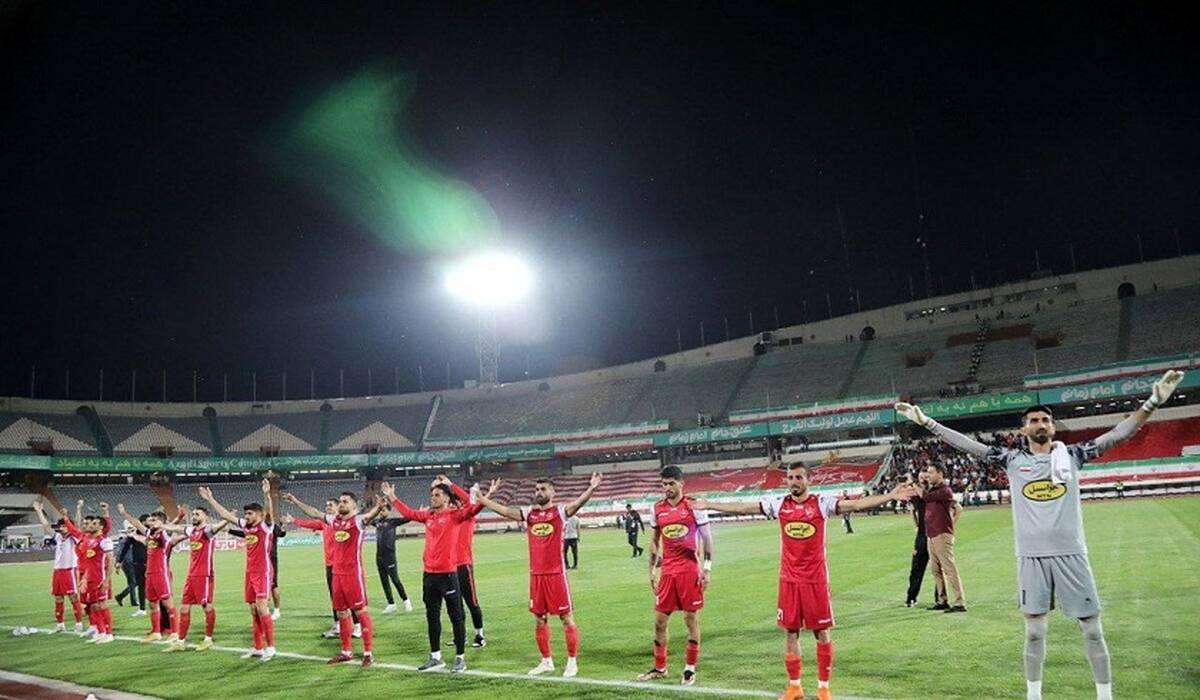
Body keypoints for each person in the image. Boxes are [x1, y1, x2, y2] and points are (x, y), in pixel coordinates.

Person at [895, 369, 1185, 700]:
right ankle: (1035, 696)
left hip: (1072, 555)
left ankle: (1105, 696)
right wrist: (927, 422)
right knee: (1034, 632)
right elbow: (969, 445)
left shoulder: (1073, 456)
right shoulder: (1012, 459)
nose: (1040, 424)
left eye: (1045, 420)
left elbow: (1117, 434)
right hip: (1031, 558)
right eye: (1033, 420)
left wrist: (1153, 402)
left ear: (1053, 426)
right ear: (1024, 429)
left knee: (1092, 629)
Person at [692, 463, 916, 700]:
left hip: (815, 580)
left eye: (799, 477)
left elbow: (855, 504)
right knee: (790, 632)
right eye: (790, 477)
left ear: (808, 480)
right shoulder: (780, 504)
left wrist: (891, 495)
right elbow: (744, 506)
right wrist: (709, 504)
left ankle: (823, 687)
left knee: (821, 632)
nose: (793, 482)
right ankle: (795, 686)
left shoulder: (821, 503)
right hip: (788, 579)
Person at [473, 473, 603, 678]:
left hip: (556, 574)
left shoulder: (560, 512)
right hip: (536, 575)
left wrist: (592, 488)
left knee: (566, 618)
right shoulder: (529, 514)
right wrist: (483, 499)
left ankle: (572, 661)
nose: (539, 493)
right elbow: (505, 511)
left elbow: (578, 503)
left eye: (543, 489)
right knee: (540, 619)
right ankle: (546, 661)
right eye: (536, 489)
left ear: (553, 492)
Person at [379, 479, 493, 673]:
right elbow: (409, 513)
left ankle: (459, 658)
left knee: (456, 616)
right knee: (432, 617)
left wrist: (484, 498)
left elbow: (473, 510)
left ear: (447, 498)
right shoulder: (428, 516)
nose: (433, 497)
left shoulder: (455, 515)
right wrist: (392, 497)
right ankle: (435, 657)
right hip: (429, 575)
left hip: (448, 574)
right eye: (432, 495)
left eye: (437, 494)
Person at [287, 491, 384, 666]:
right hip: (337, 574)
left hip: (353, 574)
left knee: (360, 611)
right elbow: (314, 513)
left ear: (354, 505)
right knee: (341, 613)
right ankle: (346, 652)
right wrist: (295, 501)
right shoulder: (335, 521)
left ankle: (368, 653)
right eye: (340, 501)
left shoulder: (358, 521)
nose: (341, 504)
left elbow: (371, 515)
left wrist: (378, 507)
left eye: (345, 501)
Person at [637, 465, 712, 686]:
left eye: (671, 483)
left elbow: (707, 539)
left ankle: (689, 669)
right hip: (668, 572)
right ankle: (660, 668)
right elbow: (654, 539)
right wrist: (652, 569)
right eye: (664, 484)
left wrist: (707, 569)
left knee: (691, 620)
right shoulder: (657, 508)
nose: (667, 488)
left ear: (681, 483)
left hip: (690, 571)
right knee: (660, 622)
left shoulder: (693, 505)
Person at [199, 478, 278, 661]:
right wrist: (210, 500)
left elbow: (269, 513)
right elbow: (227, 516)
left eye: (250, 514)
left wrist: (267, 495)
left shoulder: (265, 526)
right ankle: (257, 647)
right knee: (253, 609)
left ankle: (271, 647)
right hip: (249, 572)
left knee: (261, 607)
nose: (247, 517)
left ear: (258, 514)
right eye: (246, 514)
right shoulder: (246, 526)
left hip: (263, 571)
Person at [148, 504, 228, 652]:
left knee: (207, 606)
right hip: (191, 575)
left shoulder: (208, 531)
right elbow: (178, 529)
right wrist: (164, 525)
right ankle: (180, 641)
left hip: (204, 575)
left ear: (205, 516)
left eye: (197, 514)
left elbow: (221, 524)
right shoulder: (192, 531)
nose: (194, 516)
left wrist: (227, 518)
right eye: (194, 514)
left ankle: (208, 639)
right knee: (184, 608)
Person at [281, 493, 360, 639]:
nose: (327, 507)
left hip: (346, 567)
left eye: (330, 505)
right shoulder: (326, 523)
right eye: (327, 505)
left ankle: (357, 626)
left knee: (351, 597)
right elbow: (311, 521)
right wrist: (294, 520)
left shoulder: (347, 521)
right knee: (334, 598)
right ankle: (338, 625)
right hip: (330, 566)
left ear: (338, 507)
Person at [435, 475, 487, 648]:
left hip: (464, 565)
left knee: (472, 602)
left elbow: (469, 502)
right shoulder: (450, 518)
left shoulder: (467, 517)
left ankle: (479, 635)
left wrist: (451, 484)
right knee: (455, 605)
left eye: (454, 503)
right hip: (449, 567)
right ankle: (461, 636)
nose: (452, 506)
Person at [117, 506, 181, 642]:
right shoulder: (149, 534)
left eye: (154, 520)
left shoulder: (163, 535)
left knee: (168, 603)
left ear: (161, 523)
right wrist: (123, 513)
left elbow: (169, 530)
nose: (150, 522)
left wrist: (168, 523)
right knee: (152, 603)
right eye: (150, 520)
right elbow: (137, 523)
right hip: (149, 573)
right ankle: (156, 632)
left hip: (160, 573)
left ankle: (175, 633)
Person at [56, 505, 116, 644]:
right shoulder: (86, 539)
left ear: (101, 527)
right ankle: (100, 632)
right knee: (93, 606)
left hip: (99, 578)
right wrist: (65, 516)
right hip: (87, 579)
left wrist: (107, 580)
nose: (90, 525)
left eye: (94, 523)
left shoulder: (104, 541)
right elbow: (73, 530)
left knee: (102, 604)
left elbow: (110, 560)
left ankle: (109, 633)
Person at [30, 500, 84, 634]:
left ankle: (78, 624)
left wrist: (78, 509)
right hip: (58, 571)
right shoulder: (58, 537)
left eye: (65, 526)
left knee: (73, 597)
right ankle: (60, 625)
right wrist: (38, 511)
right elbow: (46, 526)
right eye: (61, 526)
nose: (62, 528)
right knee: (58, 598)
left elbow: (77, 526)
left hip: (69, 570)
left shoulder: (74, 537)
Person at [918, 464, 965, 613]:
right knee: (935, 570)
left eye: (931, 473)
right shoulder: (934, 490)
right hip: (931, 534)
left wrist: (914, 483)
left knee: (949, 568)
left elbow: (925, 497)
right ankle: (942, 600)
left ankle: (959, 602)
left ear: (940, 474)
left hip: (941, 534)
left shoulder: (945, 490)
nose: (928, 475)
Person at [370, 501, 412, 614]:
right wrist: (377, 506)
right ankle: (391, 604)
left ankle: (406, 601)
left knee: (395, 579)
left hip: (390, 556)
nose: (381, 512)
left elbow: (408, 518)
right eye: (380, 510)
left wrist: (418, 512)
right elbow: (368, 518)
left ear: (388, 511)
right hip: (379, 556)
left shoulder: (392, 522)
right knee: (384, 581)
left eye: (383, 510)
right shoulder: (377, 522)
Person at [905, 475, 929, 608]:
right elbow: (912, 510)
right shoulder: (918, 498)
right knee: (916, 569)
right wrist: (916, 525)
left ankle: (941, 599)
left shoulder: (934, 494)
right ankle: (911, 597)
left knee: (938, 570)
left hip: (934, 536)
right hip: (922, 537)